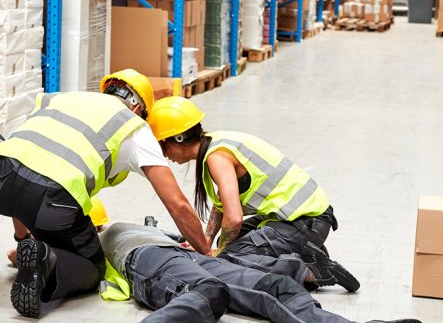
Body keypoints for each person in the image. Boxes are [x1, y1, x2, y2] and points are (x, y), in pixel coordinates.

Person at [0, 69, 210, 319]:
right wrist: (206, 252)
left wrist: (22, 238)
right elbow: (177, 203)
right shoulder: (134, 126)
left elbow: (23, 157)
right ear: (138, 109)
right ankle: (47, 261)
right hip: (54, 205)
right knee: (93, 267)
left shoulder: (60, 98)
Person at [145, 96, 359, 292]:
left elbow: (234, 218)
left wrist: (218, 253)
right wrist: (207, 242)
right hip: (301, 220)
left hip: (305, 222)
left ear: (177, 138)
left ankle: (312, 272)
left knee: (228, 259)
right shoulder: (215, 143)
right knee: (227, 244)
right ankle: (307, 254)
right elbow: (223, 205)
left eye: (162, 144)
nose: (163, 153)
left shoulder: (217, 158)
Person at [100, 222, 426, 323]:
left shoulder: (140, 228)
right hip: (148, 259)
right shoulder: (106, 235)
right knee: (208, 292)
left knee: (277, 286)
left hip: (183, 255)